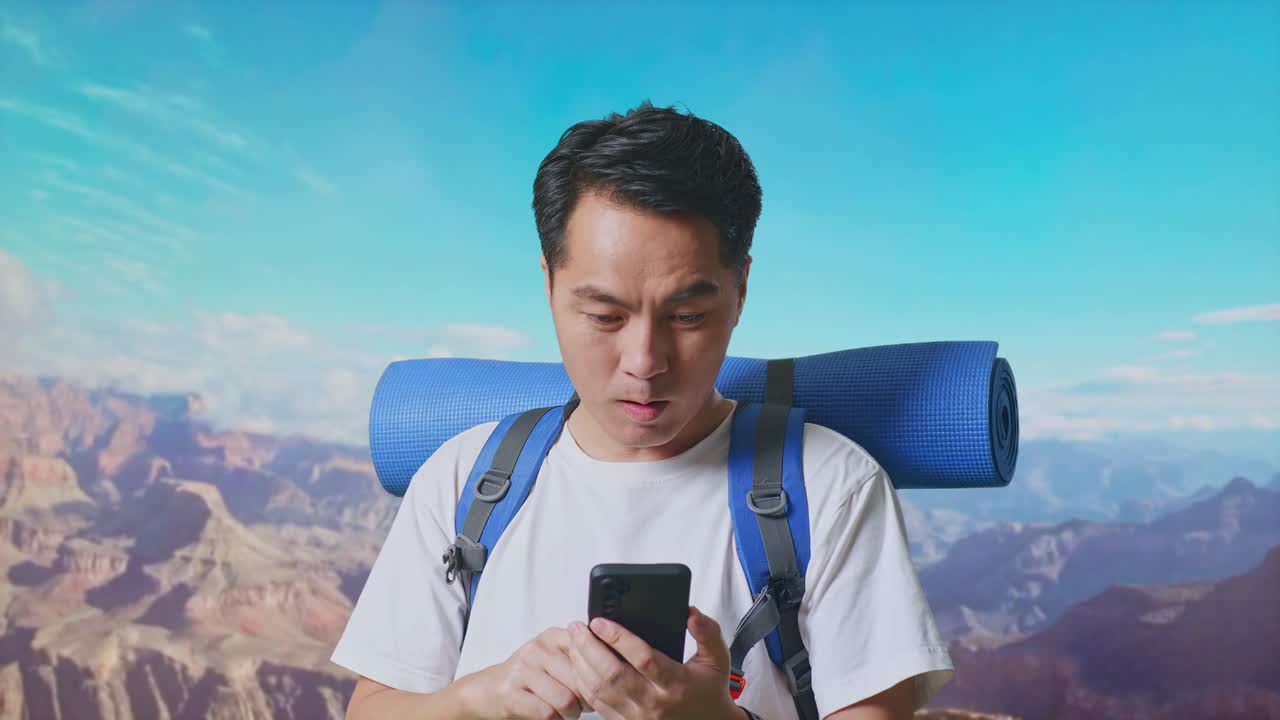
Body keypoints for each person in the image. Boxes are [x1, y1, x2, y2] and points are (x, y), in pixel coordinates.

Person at [330, 100, 954, 720]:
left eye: (687, 316)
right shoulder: (463, 481)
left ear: (740, 290)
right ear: (547, 284)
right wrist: (473, 702)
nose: (644, 360)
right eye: (604, 315)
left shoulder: (831, 488)